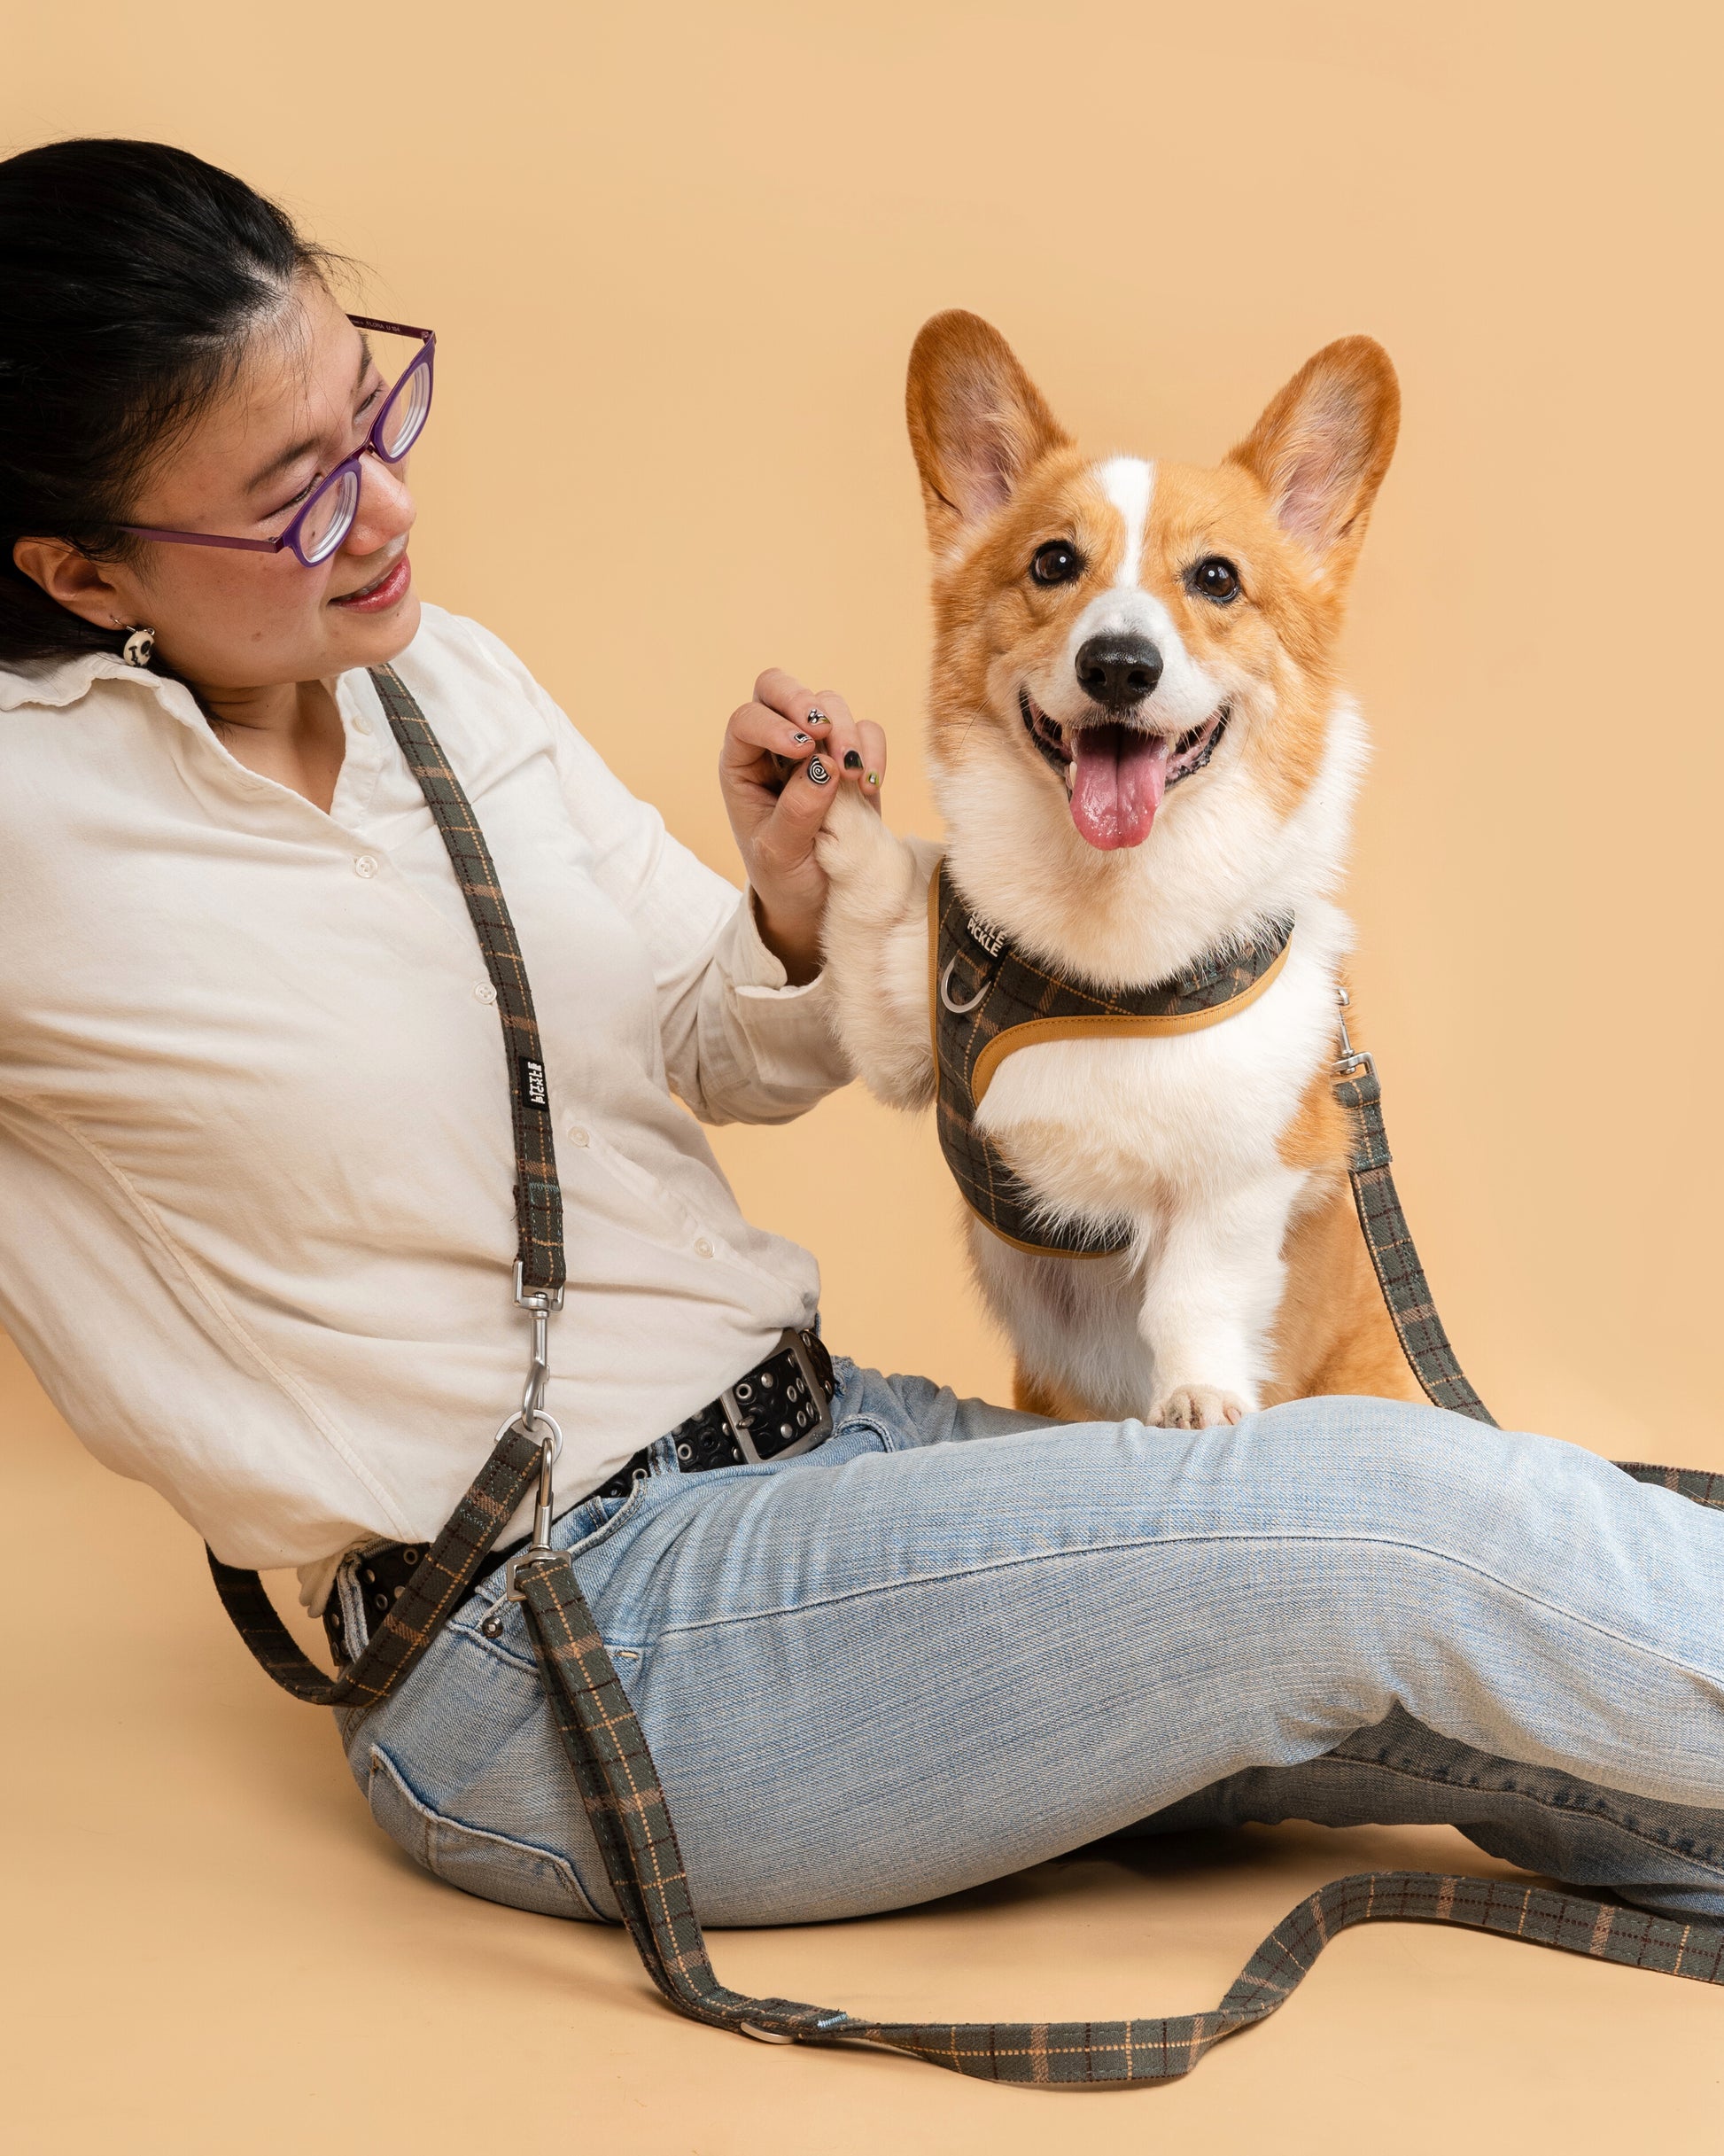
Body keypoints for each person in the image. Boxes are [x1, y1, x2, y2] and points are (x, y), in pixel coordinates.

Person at [3, 138, 1721, 1949]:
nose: (384, 508)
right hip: (578, 1641)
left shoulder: (448, 684)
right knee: (1374, 1527)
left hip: (825, 1450)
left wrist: (780, 912)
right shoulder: (38, 821)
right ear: (78, 566)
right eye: (293, 490)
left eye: (376, 412)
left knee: (1466, 1663)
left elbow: (710, 1037)